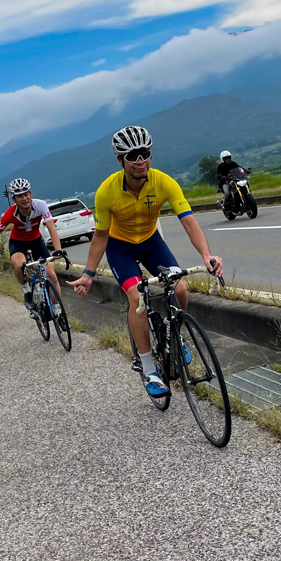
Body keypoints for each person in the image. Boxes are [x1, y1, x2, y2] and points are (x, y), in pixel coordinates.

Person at [67, 126, 223, 398]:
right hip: (120, 248)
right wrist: (89, 273)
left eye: (145, 153)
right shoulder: (106, 192)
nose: (140, 160)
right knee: (137, 299)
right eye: (132, 155)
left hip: (152, 243)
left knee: (181, 289)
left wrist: (206, 256)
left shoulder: (164, 182)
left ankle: (177, 335)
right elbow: (100, 236)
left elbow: (188, 220)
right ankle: (149, 367)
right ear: (120, 161)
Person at [0, 178, 64, 313]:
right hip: (18, 242)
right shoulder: (10, 213)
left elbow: (51, 229)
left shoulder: (41, 205)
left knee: (52, 275)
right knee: (19, 266)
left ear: (30, 194)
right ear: (14, 199)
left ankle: (58, 310)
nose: (24, 198)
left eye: (26, 194)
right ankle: (26, 290)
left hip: (36, 240)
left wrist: (58, 250)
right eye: (20, 196)